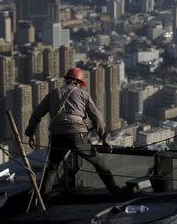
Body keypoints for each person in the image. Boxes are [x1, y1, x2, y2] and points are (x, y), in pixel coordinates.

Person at [25, 67, 121, 198]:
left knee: (52, 168)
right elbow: (97, 118)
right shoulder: (83, 95)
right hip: (77, 135)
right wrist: (103, 138)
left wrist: (30, 134)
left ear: (67, 80)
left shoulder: (53, 94)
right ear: (78, 82)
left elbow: (37, 114)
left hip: (57, 136)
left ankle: (43, 200)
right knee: (99, 163)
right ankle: (115, 192)